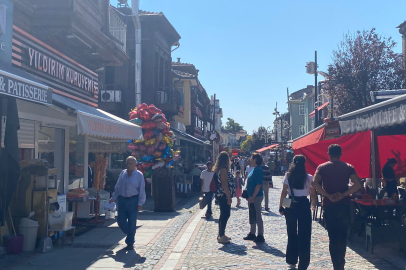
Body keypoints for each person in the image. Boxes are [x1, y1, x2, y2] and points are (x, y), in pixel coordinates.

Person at [312, 144, 362, 270]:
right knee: (343, 236)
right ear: (341, 154)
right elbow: (358, 184)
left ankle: (336, 264)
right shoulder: (348, 167)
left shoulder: (322, 167)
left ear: (328, 154)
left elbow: (314, 183)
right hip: (344, 204)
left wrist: (327, 195)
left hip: (329, 206)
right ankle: (341, 264)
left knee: (333, 237)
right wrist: (344, 194)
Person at [279, 155, 317, 270]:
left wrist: (281, 207)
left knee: (291, 232)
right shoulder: (308, 177)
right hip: (304, 204)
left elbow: (284, 193)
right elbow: (313, 193)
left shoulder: (288, 176)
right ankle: (303, 262)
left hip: (290, 204)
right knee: (305, 233)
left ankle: (291, 260)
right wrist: (313, 204)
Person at [109, 156, 146, 250]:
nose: (128, 165)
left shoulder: (139, 175)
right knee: (120, 220)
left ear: (135, 164)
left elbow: (142, 190)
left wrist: (140, 203)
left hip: (133, 200)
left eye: (130, 163)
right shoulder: (123, 173)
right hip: (122, 200)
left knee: (132, 221)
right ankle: (129, 231)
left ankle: (130, 242)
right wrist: (113, 197)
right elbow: (118, 187)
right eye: (127, 163)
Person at [213, 151, 235, 244]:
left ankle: (221, 234)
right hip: (223, 195)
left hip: (221, 194)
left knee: (224, 214)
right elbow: (224, 184)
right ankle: (221, 235)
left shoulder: (220, 169)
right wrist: (229, 197)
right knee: (225, 214)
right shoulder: (223, 170)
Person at [243, 153, 265, 243]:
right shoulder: (254, 169)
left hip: (256, 196)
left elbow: (258, 184)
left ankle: (260, 235)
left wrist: (253, 196)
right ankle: (252, 233)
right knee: (252, 214)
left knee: (257, 215)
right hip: (251, 196)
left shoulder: (258, 170)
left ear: (255, 159)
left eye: (251, 158)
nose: (250, 159)